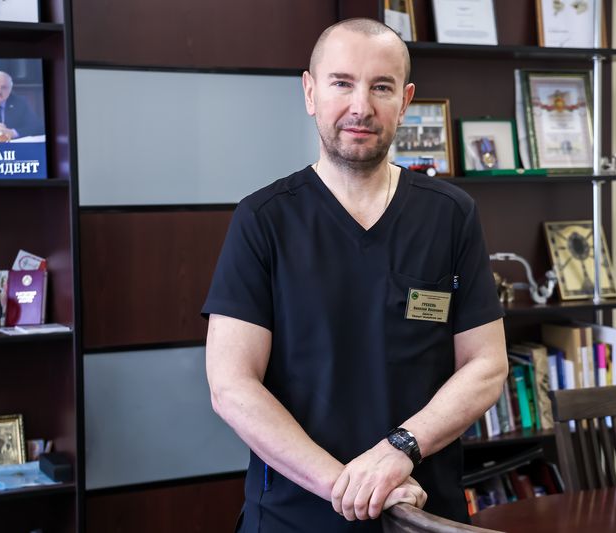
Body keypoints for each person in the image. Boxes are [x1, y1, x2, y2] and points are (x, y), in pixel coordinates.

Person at [203, 18, 507, 533]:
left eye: (381, 87)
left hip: (422, 515)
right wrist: (352, 486)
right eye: (342, 83)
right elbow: (232, 386)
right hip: (294, 518)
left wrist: (399, 450)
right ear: (310, 92)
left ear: (405, 101)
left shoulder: (450, 215)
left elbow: (486, 365)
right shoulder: (263, 220)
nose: (361, 106)